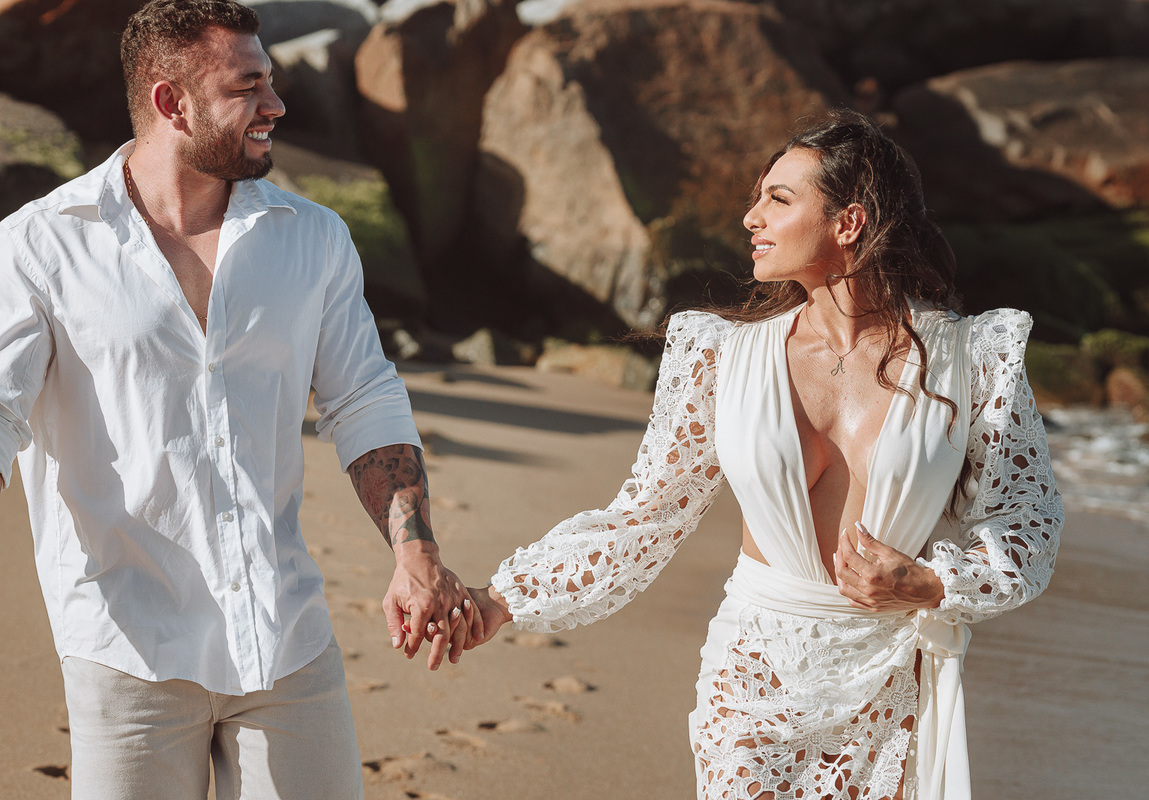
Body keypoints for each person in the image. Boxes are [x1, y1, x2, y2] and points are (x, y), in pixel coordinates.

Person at [463, 109, 1064, 799]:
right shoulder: (719, 355)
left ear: (849, 223)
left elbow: (1029, 522)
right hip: (753, 677)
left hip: (893, 678)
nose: (751, 217)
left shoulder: (975, 359)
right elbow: (644, 518)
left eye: (777, 199)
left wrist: (931, 584)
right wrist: (505, 599)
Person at [0, 1, 472, 797]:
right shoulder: (41, 245)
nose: (276, 106)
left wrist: (415, 553)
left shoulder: (312, 236)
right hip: (126, 648)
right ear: (169, 102)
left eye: (274, 82)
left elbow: (362, 397)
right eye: (247, 86)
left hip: (284, 637)